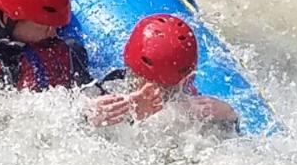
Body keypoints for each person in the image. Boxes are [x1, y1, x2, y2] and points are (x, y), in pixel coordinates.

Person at [88, 13, 239, 129]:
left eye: (165, 89)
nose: (158, 92)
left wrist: (229, 114)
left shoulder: (191, 101)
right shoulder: (112, 91)